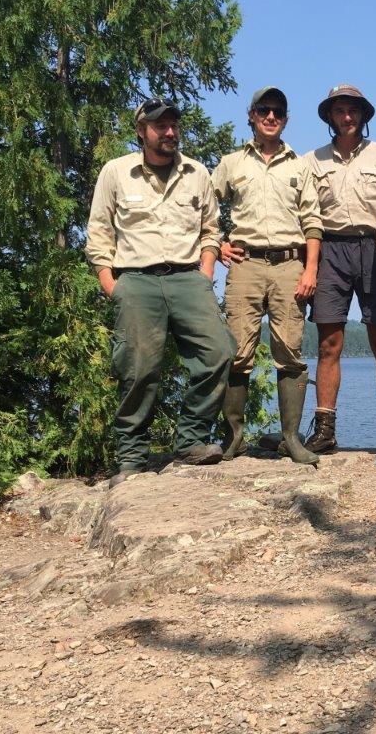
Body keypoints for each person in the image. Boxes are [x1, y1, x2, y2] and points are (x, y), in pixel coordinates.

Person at [85, 97, 234, 488]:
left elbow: (210, 228)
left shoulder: (197, 173)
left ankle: (191, 440)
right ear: (141, 130)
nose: (169, 132)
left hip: (188, 277)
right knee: (138, 369)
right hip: (135, 280)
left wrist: (205, 273)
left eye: (173, 125)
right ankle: (132, 457)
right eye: (159, 126)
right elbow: (99, 232)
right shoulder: (116, 172)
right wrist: (110, 284)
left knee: (218, 353)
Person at [211, 87, 323, 465]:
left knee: (290, 352)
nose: (271, 116)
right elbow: (205, 207)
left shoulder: (300, 165)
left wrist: (310, 269)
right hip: (244, 265)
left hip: (291, 265)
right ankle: (235, 436)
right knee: (237, 352)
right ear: (252, 115)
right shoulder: (231, 163)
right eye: (264, 110)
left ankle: (291, 438)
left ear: (286, 118)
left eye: (278, 111)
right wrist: (215, 245)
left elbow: (312, 221)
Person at [302, 84, 376, 455]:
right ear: (329, 116)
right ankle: (326, 428)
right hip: (331, 248)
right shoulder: (311, 161)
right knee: (329, 343)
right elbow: (307, 214)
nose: (347, 117)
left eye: (353, 110)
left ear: (363, 115)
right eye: (339, 111)